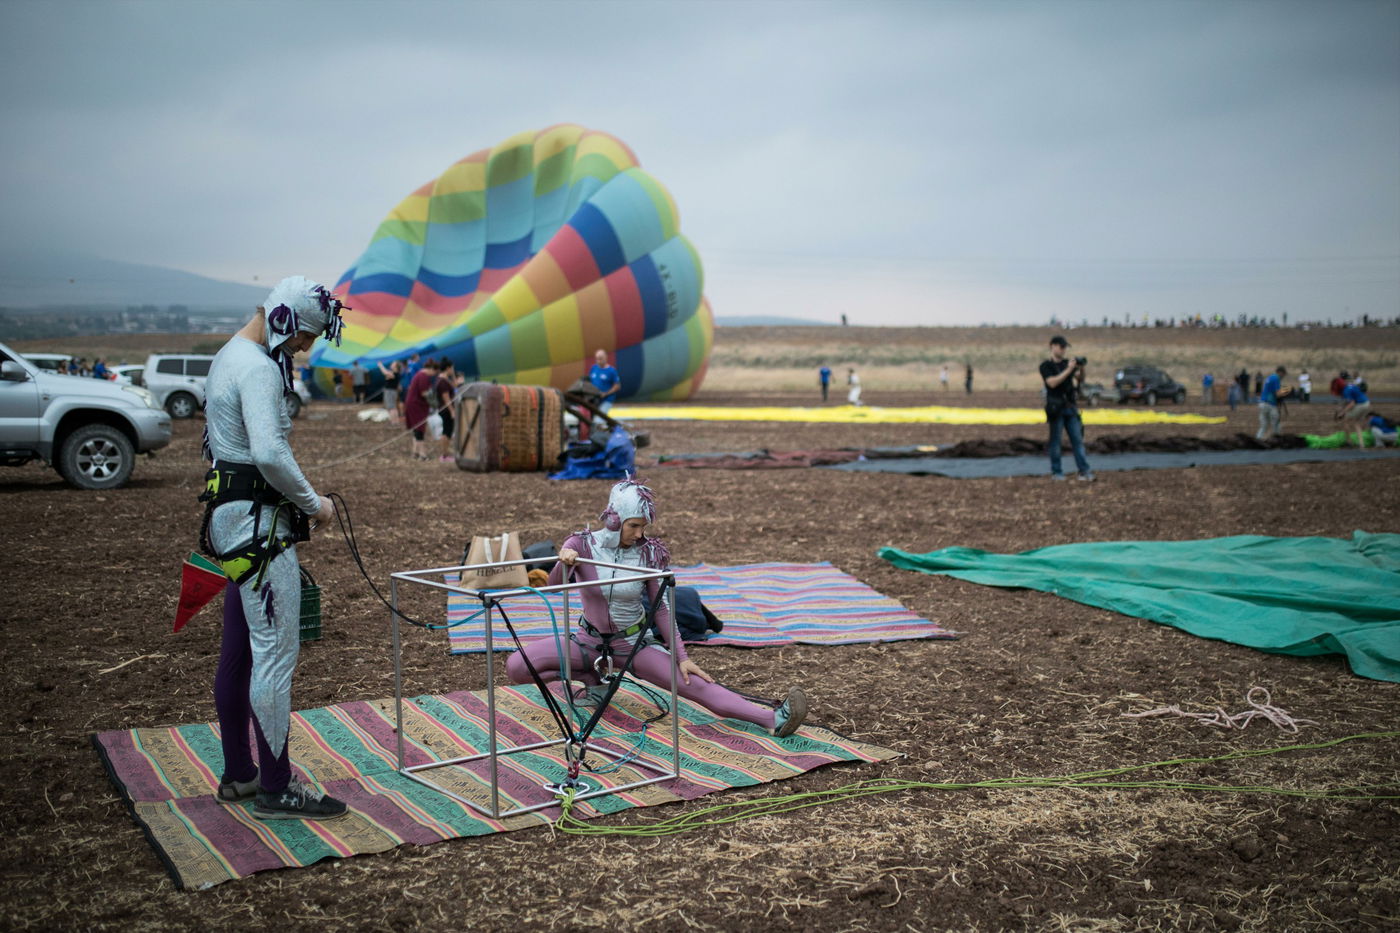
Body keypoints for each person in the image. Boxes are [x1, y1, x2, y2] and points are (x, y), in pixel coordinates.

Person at [199, 275, 347, 820]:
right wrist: (314, 504)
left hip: (228, 522)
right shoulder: (260, 369)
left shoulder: (227, 357)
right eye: (305, 336)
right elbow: (268, 452)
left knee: (239, 653)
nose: (305, 349)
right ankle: (277, 787)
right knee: (276, 658)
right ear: (285, 319)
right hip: (258, 530)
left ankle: (240, 772)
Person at [504, 478, 809, 738]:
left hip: (633, 644)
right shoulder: (582, 544)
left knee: (695, 685)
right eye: (633, 525)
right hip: (588, 642)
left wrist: (682, 657)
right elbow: (556, 586)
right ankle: (591, 680)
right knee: (517, 667)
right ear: (614, 519)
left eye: (643, 526)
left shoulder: (649, 553)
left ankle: (773, 719)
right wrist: (563, 560)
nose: (639, 534)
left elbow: (661, 609)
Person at [1040, 336, 1094, 482]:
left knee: (1077, 441)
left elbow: (1080, 379)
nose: (1064, 350)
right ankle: (1057, 472)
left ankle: (1084, 471)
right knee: (1056, 442)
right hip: (1056, 409)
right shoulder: (1046, 366)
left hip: (1071, 408)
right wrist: (1068, 370)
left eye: (1065, 347)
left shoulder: (1067, 363)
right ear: (1052, 346)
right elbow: (1052, 383)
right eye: (1061, 347)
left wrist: (1080, 368)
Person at [403, 357, 441, 460]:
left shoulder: (419, 375)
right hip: (416, 405)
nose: (433, 375)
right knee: (419, 429)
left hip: (413, 403)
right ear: (432, 369)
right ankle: (422, 454)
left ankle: (415, 452)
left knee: (416, 429)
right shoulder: (423, 376)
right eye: (434, 372)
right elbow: (424, 393)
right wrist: (434, 403)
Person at [1335, 378, 1373, 447]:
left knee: (1345, 420)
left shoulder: (1346, 390)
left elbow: (1352, 404)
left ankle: (1349, 441)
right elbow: (1350, 400)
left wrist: (1342, 412)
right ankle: (1362, 444)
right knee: (1356, 423)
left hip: (1361, 405)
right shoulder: (1350, 386)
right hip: (1367, 403)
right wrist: (1342, 408)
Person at [435, 358, 458, 462]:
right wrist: (452, 411)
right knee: (446, 432)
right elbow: (446, 398)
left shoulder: (444, 379)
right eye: (451, 368)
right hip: (446, 410)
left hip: (444, 409)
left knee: (448, 431)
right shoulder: (443, 382)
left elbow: (455, 386)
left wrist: (453, 375)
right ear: (448, 368)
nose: (452, 370)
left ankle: (445, 454)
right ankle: (444, 455)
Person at [1256, 366, 1287, 440]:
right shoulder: (1276, 378)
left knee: (1264, 425)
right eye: (1283, 374)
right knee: (1276, 423)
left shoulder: (1270, 377)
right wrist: (1286, 392)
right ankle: (1277, 439)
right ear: (1280, 372)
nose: (1283, 376)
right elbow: (1278, 393)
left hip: (1262, 403)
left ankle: (1258, 439)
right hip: (1270, 404)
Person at [588, 349, 621, 413]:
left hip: (606, 400)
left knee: (599, 419)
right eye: (597, 359)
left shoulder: (611, 371)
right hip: (595, 398)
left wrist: (605, 393)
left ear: (606, 358)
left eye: (600, 359)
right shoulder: (593, 368)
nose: (598, 361)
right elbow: (589, 381)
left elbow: (617, 386)